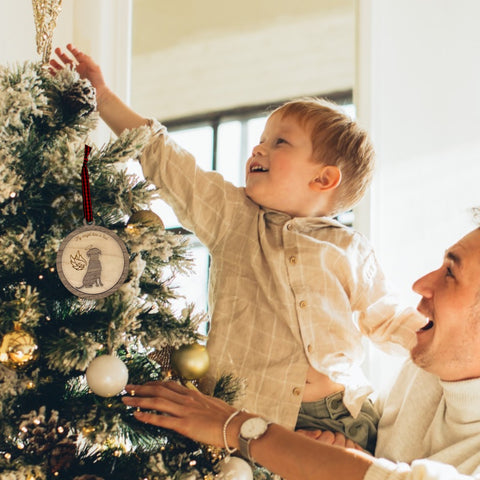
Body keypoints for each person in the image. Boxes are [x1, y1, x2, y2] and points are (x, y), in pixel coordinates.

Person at [50, 45, 426, 453]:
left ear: (323, 179)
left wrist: (444, 341)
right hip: (245, 412)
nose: (257, 149)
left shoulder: (349, 248)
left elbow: (387, 319)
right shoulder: (234, 218)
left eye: (279, 142)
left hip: (338, 416)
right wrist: (103, 96)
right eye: (261, 139)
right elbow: (168, 160)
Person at [122, 225, 480, 479]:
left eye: (450, 273)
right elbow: (381, 463)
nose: (421, 285)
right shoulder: (427, 368)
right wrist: (350, 454)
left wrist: (234, 426)